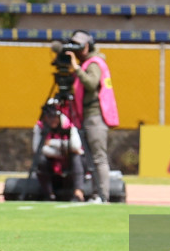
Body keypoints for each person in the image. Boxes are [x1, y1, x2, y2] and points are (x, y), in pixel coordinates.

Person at [66, 30, 119, 203]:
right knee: (90, 160)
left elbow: (90, 83)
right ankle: (97, 194)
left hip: (95, 116)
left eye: (79, 47)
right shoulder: (86, 63)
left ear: (87, 46)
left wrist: (76, 69)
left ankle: (103, 196)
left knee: (98, 158)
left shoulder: (94, 63)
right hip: (87, 116)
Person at [32, 99, 85, 202]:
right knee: (40, 160)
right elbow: (37, 149)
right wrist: (61, 152)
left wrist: (51, 143)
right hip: (51, 164)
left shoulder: (68, 125)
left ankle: (78, 192)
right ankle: (49, 194)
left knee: (76, 157)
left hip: (68, 163)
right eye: (49, 117)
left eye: (54, 117)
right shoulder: (39, 127)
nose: (52, 120)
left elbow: (75, 146)